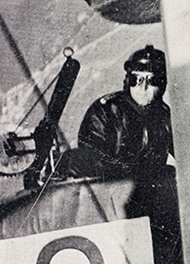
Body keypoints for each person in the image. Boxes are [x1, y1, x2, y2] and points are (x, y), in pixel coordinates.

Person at [54, 45, 173, 180]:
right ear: (128, 80)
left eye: (152, 81)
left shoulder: (165, 115)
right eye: (136, 80)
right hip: (113, 188)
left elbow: (187, 154)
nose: (143, 87)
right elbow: (93, 162)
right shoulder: (105, 111)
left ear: (163, 84)